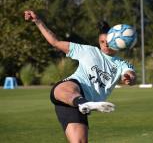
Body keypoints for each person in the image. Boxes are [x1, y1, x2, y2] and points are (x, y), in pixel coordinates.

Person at [24, 10, 136, 143]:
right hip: (74, 89)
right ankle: (83, 103)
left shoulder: (122, 64)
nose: (105, 44)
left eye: (108, 42)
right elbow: (55, 42)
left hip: (80, 105)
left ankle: (83, 103)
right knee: (65, 87)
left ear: (117, 43)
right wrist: (38, 21)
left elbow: (130, 74)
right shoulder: (87, 50)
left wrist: (128, 78)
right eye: (101, 41)